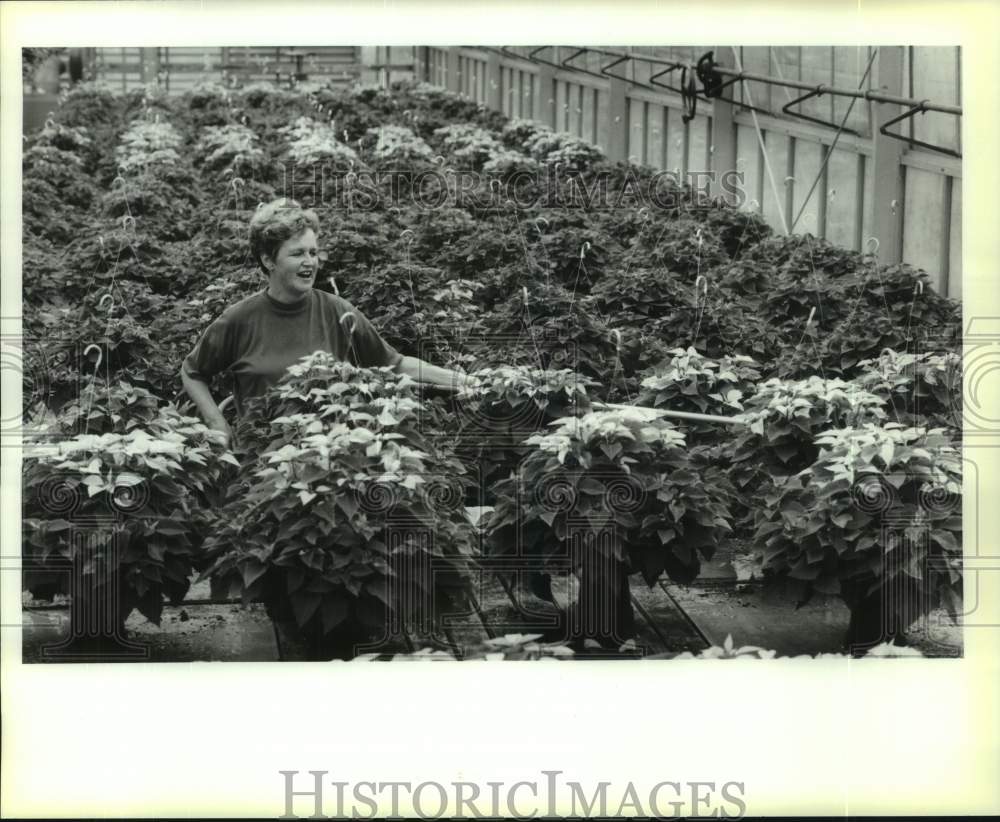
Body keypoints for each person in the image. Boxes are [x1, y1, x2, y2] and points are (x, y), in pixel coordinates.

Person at [181, 198, 471, 447]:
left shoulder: (336, 311)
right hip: (260, 458)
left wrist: (464, 380)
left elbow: (392, 363)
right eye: (297, 254)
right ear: (269, 260)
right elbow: (192, 371)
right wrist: (217, 422)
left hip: (333, 455)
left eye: (312, 252)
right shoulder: (239, 319)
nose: (310, 262)